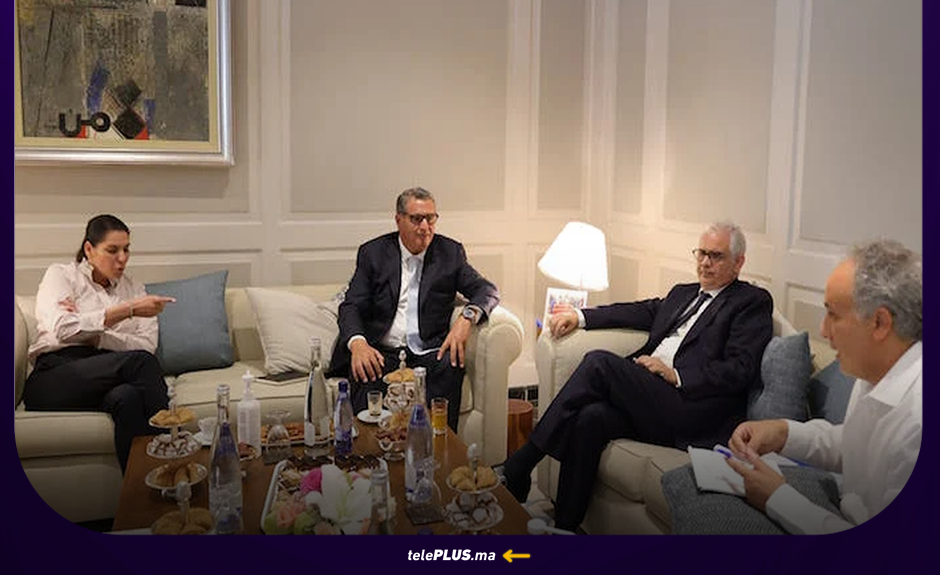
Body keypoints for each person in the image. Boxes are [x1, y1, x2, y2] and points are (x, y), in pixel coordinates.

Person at [501, 221, 774, 531]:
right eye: (701, 253)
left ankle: (522, 463)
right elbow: (638, 311)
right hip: (652, 398)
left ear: (738, 263)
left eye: (716, 256)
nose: (705, 263)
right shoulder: (683, 293)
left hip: (691, 407)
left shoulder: (750, 302)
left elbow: (740, 368)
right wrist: (579, 316)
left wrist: (677, 375)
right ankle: (564, 528)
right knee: (591, 418)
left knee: (599, 363)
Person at [726, 239, 922, 534]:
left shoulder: (919, 421)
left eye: (833, 314)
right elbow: (857, 445)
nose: (823, 330)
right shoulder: (874, 372)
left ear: (880, 323)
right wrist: (783, 432)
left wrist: (779, 499)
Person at [327, 187, 499, 431]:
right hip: (382, 351)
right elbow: (351, 305)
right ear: (399, 220)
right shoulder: (374, 253)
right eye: (417, 219)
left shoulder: (449, 253)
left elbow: (487, 290)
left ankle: (440, 443)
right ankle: (368, 449)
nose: (425, 226)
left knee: (450, 364)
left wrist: (467, 317)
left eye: (431, 218)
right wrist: (358, 344)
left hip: (429, 352)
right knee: (365, 372)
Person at [23, 214, 176, 473]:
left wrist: (95, 333)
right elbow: (63, 328)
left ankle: (145, 487)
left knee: (127, 397)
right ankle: (174, 454)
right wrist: (127, 311)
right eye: (112, 250)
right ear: (89, 249)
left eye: (126, 249)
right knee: (140, 364)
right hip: (54, 376)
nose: (122, 258)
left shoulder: (134, 288)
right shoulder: (61, 276)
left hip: (105, 374)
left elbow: (146, 345)